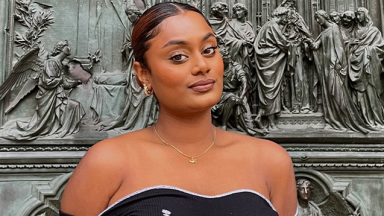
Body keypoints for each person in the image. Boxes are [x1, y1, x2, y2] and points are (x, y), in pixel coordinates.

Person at [60, 3, 297, 216]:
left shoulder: (271, 162)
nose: (203, 66)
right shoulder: (105, 164)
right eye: (178, 56)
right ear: (144, 74)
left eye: (209, 50)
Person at [1, 40, 85, 140]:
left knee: (75, 106)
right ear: (60, 49)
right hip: (48, 97)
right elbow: (48, 82)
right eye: (67, 46)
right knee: (71, 108)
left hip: (57, 96)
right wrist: (62, 80)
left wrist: (75, 82)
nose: (69, 48)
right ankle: (60, 131)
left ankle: (63, 131)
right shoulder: (51, 62)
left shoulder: (59, 64)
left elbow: (62, 83)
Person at [308, 10, 374, 134]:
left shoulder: (334, 28)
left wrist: (341, 66)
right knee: (329, 94)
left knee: (337, 94)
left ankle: (342, 120)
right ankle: (332, 119)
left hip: (335, 67)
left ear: (324, 17)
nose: (317, 21)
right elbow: (316, 46)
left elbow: (340, 48)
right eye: (316, 19)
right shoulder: (323, 33)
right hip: (326, 67)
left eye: (318, 18)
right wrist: (307, 40)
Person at [254, 7, 290, 131]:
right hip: (270, 62)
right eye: (286, 16)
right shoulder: (273, 25)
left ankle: (259, 116)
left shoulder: (266, 25)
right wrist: (292, 45)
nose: (287, 19)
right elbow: (282, 43)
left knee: (269, 91)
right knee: (270, 92)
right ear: (282, 15)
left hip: (267, 61)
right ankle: (270, 123)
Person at [347, 7, 384, 128]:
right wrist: (351, 47)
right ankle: (360, 118)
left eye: (360, 14)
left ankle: (375, 118)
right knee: (358, 94)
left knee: (370, 91)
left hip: (368, 65)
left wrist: (367, 50)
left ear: (366, 15)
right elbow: (348, 45)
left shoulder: (374, 31)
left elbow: (380, 48)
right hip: (355, 65)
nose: (358, 17)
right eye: (356, 15)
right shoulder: (354, 31)